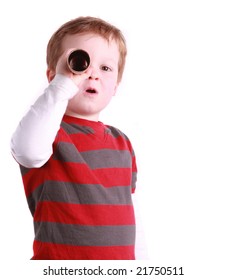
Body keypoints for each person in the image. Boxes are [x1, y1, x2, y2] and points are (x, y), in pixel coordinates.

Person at [10, 16, 138, 260]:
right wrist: (62, 86)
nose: (92, 75)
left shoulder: (123, 142)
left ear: (116, 85)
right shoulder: (48, 133)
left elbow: (124, 212)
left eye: (106, 68)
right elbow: (26, 149)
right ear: (53, 77)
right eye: (80, 63)